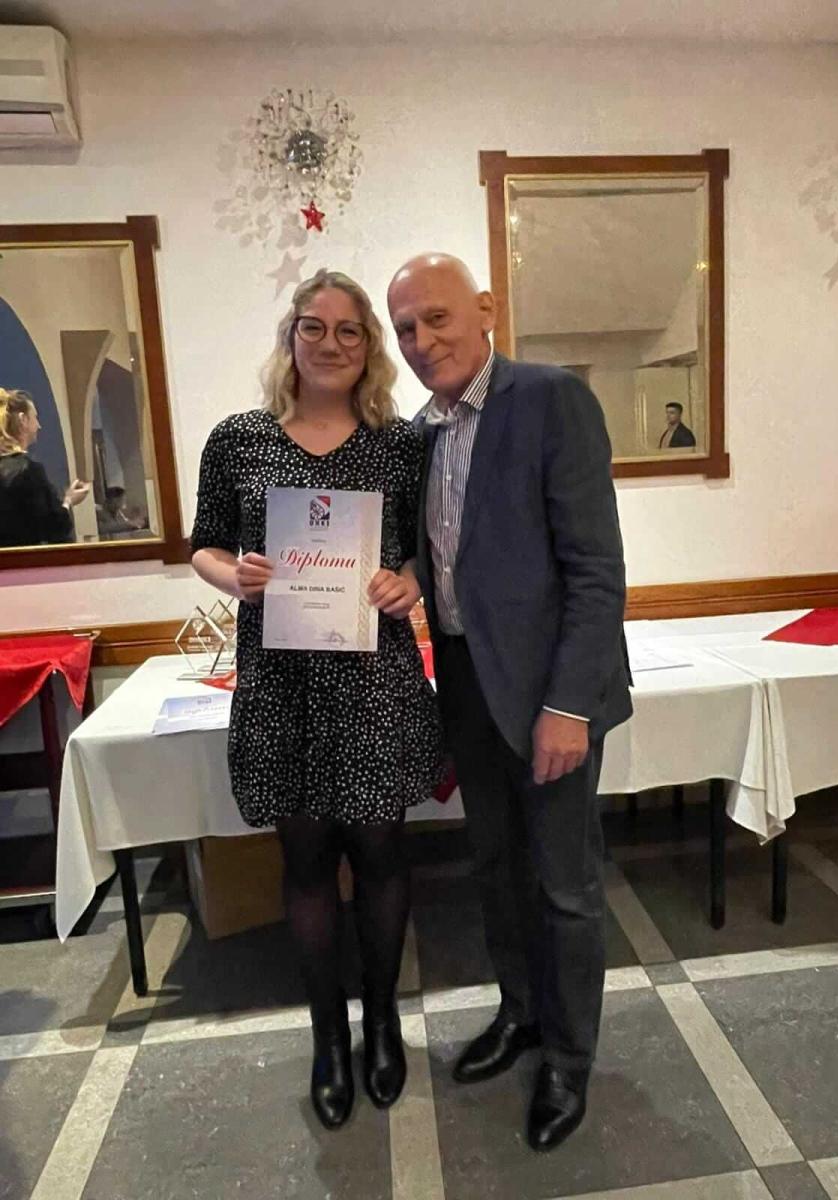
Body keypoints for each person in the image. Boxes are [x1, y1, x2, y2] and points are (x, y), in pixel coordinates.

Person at [387, 254, 632, 1152]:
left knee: (565, 886)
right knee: (495, 869)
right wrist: (406, 578)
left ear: (485, 310)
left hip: (549, 698)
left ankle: (568, 1058)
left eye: (437, 318)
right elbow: (450, 557)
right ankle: (522, 1012)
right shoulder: (419, 434)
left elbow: (596, 573)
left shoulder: (550, 399)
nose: (423, 341)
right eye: (406, 329)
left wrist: (568, 706)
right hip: (467, 688)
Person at [191, 270, 445, 1130]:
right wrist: (236, 575)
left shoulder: (402, 445)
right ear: (290, 337)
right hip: (283, 685)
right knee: (304, 865)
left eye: (348, 330)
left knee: (380, 857)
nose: (330, 344)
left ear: (368, 346)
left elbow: (426, 554)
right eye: (314, 327)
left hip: (373, 681)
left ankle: (382, 1023)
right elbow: (204, 545)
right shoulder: (239, 439)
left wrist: (407, 582)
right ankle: (328, 1039)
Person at [0, 388, 90, 547]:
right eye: (35, 417)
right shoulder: (29, 471)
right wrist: (68, 501)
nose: (39, 426)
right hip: (25, 560)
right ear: (23, 420)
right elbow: (54, 529)